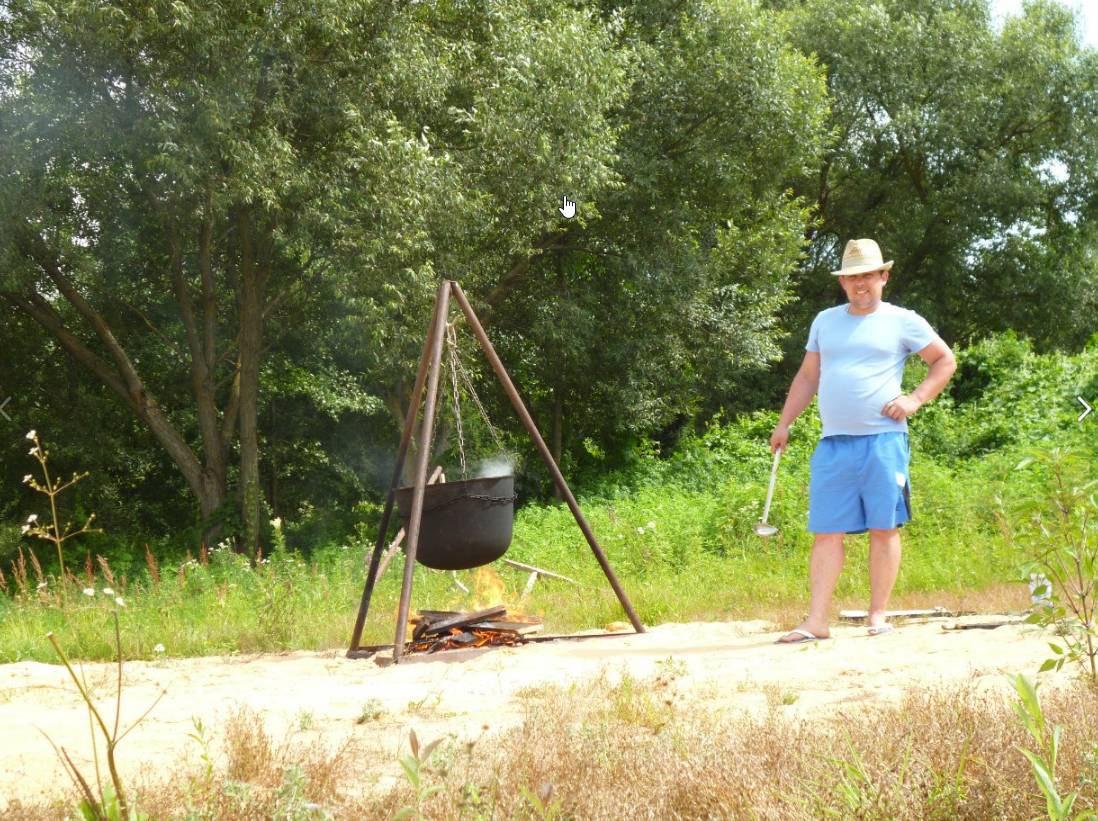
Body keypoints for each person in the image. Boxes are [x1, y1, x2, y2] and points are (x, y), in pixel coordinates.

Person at [771, 238, 956, 643]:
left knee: (883, 525)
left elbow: (944, 360)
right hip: (833, 443)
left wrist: (914, 399)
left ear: (883, 276)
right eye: (853, 277)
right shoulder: (824, 321)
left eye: (868, 275)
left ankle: (878, 616)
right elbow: (807, 377)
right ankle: (817, 621)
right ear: (843, 281)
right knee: (826, 530)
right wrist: (785, 423)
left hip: (884, 441)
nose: (861, 284)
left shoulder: (903, 320)